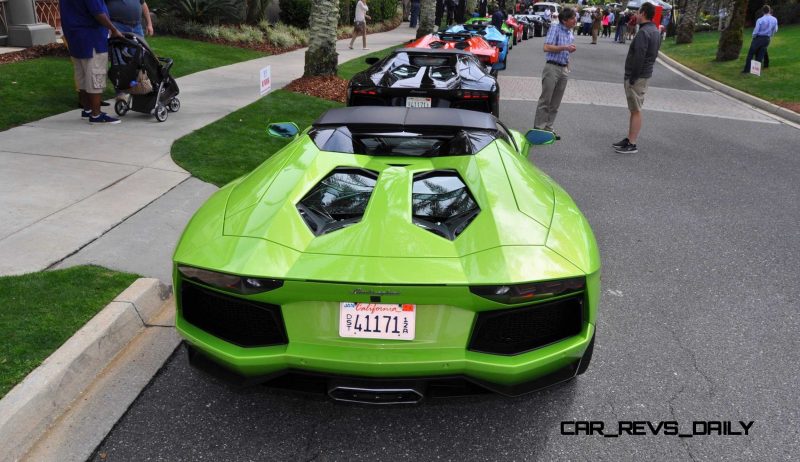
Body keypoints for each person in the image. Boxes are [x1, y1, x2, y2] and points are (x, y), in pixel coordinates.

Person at [59, 0, 124, 124]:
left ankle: (87, 110)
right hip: (92, 38)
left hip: (75, 38)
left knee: (82, 76)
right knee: (96, 75)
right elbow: (98, 12)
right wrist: (113, 29)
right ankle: (96, 114)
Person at [612, 2, 660, 154]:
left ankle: (632, 143)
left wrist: (632, 78)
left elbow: (639, 56)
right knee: (634, 109)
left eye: (638, 12)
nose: (636, 15)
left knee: (636, 109)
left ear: (644, 13)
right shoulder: (655, 31)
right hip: (644, 74)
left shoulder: (643, 33)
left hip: (637, 77)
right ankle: (629, 138)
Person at [534, 8, 577, 138]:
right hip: (552, 67)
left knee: (556, 102)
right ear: (564, 20)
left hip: (563, 69)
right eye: (573, 18)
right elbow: (546, 47)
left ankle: (548, 128)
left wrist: (568, 61)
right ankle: (539, 129)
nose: (575, 20)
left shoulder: (570, 32)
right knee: (545, 100)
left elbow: (566, 50)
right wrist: (565, 48)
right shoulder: (555, 28)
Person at [106, 0, 153, 101]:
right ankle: (120, 92)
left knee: (141, 58)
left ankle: (139, 86)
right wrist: (109, 28)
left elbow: (143, 4)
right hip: (118, 26)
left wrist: (149, 24)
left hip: (137, 26)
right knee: (119, 59)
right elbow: (101, 8)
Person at [742, 5, 778, 74]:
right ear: (769, 10)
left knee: (751, 53)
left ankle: (746, 70)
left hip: (759, 38)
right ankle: (755, 71)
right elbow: (775, 30)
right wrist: (771, 35)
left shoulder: (760, 20)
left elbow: (756, 30)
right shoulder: (774, 19)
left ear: (762, 11)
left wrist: (753, 36)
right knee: (761, 55)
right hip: (767, 38)